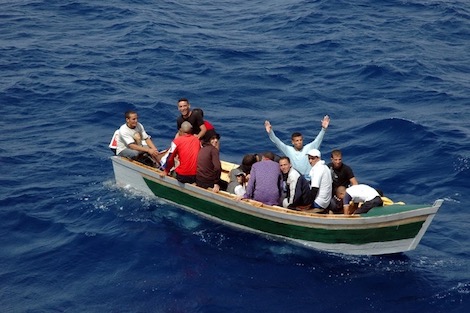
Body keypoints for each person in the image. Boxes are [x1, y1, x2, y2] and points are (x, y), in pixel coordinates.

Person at [264, 115, 330, 178]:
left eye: (300, 140)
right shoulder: (288, 150)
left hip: (309, 176)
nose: (299, 142)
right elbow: (277, 142)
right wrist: (270, 132)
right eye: (297, 140)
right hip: (296, 177)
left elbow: (318, 140)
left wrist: (323, 129)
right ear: (293, 142)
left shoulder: (309, 148)